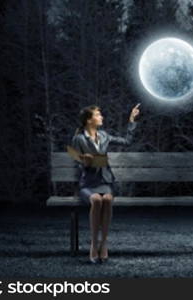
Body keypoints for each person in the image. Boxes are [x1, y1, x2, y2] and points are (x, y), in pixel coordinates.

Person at [70, 103, 141, 264]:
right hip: (87, 184)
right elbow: (76, 161)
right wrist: (84, 162)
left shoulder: (104, 136)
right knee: (96, 200)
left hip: (105, 181)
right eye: (97, 115)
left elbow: (127, 141)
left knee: (107, 199)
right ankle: (94, 244)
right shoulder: (79, 139)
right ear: (89, 120)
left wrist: (131, 120)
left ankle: (104, 243)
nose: (101, 117)